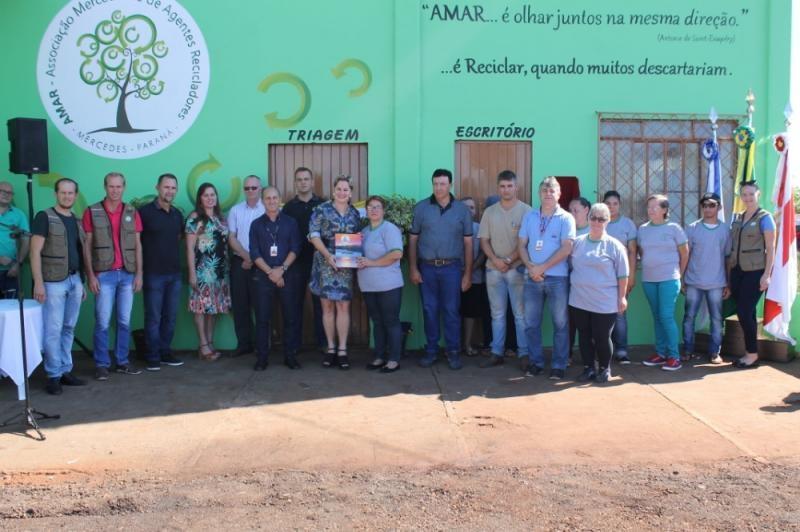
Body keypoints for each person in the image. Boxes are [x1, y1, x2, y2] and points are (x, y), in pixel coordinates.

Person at [408, 169, 473, 370]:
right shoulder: (421, 208)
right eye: (435, 184)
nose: (438, 188)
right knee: (429, 310)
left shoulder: (461, 210)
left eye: (442, 184)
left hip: (452, 268)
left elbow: (468, 243)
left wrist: (467, 274)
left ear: (450, 185)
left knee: (451, 311)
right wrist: (413, 268)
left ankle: (453, 352)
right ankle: (431, 351)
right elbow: (413, 239)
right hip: (426, 268)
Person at [83, 172, 143, 380]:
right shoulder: (92, 211)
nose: (115, 190)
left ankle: (122, 361)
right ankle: (101, 364)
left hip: (127, 274)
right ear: (105, 187)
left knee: (124, 321)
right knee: (102, 322)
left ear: (124, 187)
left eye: (118, 186)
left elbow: (138, 245)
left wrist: (139, 274)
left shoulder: (132, 211)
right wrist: (91, 275)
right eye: (111, 186)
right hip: (104, 275)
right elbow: (87, 245)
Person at [30, 178, 87, 395]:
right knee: (53, 330)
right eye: (63, 192)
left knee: (69, 327)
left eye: (70, 193)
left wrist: (81, 282)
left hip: (74, 280)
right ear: (56, 194)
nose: (67, 196)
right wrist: (38, 282)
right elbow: (34, 251)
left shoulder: (76, 220)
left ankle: (65, 370)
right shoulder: (44, 217)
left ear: (75, 195)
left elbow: (79, 252)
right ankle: (53, 375)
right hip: (53, 282)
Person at [518, 176, 576, 380]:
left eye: (552, 190)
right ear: (539, 194)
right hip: (532, 278)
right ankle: (536, 363)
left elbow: (567, 248)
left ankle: (559, 365)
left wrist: (542, 267)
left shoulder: (566, 218)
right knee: (531, 323)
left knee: (560, 324)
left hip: (557, 278)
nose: (548, 194)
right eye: (544, 190)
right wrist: (531, 267)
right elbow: (521, 245)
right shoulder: (530, 216)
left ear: (559, 194)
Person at [569, 203, 629, 383]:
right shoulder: (578, 242)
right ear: (588, 219)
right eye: (593, 218)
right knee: (584, 335)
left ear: (608, 221)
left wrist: (622, 297)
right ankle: (588, 368)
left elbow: (623, 274)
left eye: (601, 219)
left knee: (602, 336)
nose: (596, 222)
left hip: (604, 301)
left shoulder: (615, 246)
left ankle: (604, 368)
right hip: (579, 299)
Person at [478, 170, 531, 368]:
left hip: (517, 269)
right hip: (493, 270)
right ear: (498, 188)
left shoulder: (527, 211)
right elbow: (484, 240)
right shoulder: (490, 212)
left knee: (520, 315)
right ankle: (496, 352)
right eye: (502, 186)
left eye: (510, 186)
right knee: (497, 315)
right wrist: (495, 260)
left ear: (516, 187)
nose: (506, 189)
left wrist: (508, 260)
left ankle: (524, 354)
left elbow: (526, 242)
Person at [308, 175, 362, 369]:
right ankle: (331, 348)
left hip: (345, 264)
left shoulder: (355, 214)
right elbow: (313, 235)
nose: (342, 192)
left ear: (351, 193)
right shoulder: (321, 210)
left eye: (345, 189)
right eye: (339, 189)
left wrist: (353, 254)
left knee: (343, 307)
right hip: (325, 262)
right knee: (328, 307)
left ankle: (342, 350)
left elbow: (357, 237)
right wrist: (328, 255)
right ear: (333, 191)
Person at [249, 186, 302, 371]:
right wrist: (271, 273)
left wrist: (281, 270)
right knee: (263, 319)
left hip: (287, 276)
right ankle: (262, 358)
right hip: (263, 278)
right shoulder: (256, 225)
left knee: (290, 318)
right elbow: (254, 253)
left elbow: (295, 248)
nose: (271, 201)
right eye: (268, 198)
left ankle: (290, 357)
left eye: (274, 198)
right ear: (263, 201)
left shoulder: (290, 223)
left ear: (279, 199)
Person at [138, 173, 185, 372]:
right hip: (153, 274)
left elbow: (179, 238)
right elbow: (136, 243)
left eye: (173, 188)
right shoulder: (144, 213)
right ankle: (153, 356)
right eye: (166, 187)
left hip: (174, 274)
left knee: (170, 317)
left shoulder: (177, 214)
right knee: (153, 317)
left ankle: (165, 352)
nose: (170, 191)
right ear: (157, 188)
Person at [727, 181, 776, 369]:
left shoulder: (765, 218)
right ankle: (751, 352)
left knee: (744, 311)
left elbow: (771, 248)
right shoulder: (738, 218)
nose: (747, 198)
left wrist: (767, 275)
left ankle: (752, 354)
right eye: (744, 194)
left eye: (751, 194)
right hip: (737, 271)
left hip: (755, 272)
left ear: (758, 194)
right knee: (748, 312)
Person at [639, 194, 689, 371]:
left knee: (666, 316)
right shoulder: (643, 229)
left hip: (669, 279)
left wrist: (679, 275)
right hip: (649, 280)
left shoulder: (674, 228)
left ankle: (674, 357)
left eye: (655, 206)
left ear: (665, 209)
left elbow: (685, 253)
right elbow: (642, 252)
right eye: (649, 207)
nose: (651, 210)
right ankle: (661, 354)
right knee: (657, 317)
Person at [682, 192, 731, 364]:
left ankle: (714, 352)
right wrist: (681, 278)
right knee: (689, 317)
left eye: (712, 205)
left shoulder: (725, 230)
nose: (708, 208)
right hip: (693, 281)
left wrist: (728, 284)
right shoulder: (692, 228)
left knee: (716, 319)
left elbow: (728, 258)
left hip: (717, 283)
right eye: (705, 205)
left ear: (719, 207)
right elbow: (685, 255)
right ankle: (688, 350)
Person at [358, 195, 404, 373]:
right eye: (370, 207)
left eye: (377, 206)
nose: (374, 209)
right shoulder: (363, 232)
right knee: (377, 322)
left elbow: (396, 254)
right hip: (369, 285)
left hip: (388, 285)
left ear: (383, 211)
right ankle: (379, 357)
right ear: (366, 210)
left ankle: (393, 359)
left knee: (391, 321)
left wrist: (371, 263)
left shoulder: (389, 229)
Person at [186, 183, 231, 361]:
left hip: (220, 272)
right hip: (202, 272)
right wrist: (192, 274)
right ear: (200, 199)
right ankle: (203, 345)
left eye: (213, 195)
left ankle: (210, 343)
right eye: (206, 195)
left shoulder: (221, 218)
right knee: (200, 308)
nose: (210, 198)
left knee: (213, 309)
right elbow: (190, 249)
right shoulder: (195, 218)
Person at [282, 167, 325, 352]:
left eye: (306, 179)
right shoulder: (288, 208)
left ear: (312, 182)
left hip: (319, 261)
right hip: (295, 262)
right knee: (294, 305)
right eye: (299, 179)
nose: (303, 182)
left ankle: (324, 344)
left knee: (321, 305)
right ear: (295, 183)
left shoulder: (323, 205)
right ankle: (294, 346)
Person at [227, 176, 265, 357]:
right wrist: (246, 256)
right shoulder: (235, 210)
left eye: (254, 187)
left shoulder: (267, 209)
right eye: (247, 188)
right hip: (240, 262)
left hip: (262, 263)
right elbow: (231, 237)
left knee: (261, 305)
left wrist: (255, 259)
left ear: (260, 188)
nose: (250, 191)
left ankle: (261, 345)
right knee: (240, 305)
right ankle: (244, 344)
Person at [603, 191, 638, 365]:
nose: (611, 207)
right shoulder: (599, 222)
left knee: (619, 314)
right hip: (601, 278)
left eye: (615, 203)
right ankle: (603, 351)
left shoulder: (627, 224)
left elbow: (632, 251)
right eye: (608, 204)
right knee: (601, 315)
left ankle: (622, 350)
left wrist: (631, 276)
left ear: (620, 205)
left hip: (621, 277)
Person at [460, 196, 488, 357]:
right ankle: (455, 346)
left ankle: (468, 344)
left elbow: (483, 253)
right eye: (465, 207)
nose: (469, 210)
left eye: (472, 207)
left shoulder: (479, 229)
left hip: (475, 278)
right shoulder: (453, 228)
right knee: (453, 312)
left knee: (471, 313)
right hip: (453, 277)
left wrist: (469, 271)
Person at [567, 196, 592, 364]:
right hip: (568, 281)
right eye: (570, 211)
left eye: (575, 210)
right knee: (569, 321)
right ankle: (567, 354)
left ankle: (590, 359)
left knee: (588, 323)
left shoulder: (593, 231)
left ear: (586, 210)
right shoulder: (566, 230)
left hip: (589, 284)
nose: (572, 214)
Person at [0, 181, 29, 299]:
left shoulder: (19, 214)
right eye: (3, 191)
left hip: (10, 271)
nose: (6, 194)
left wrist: (18, 263)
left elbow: (26, 240)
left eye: (10, 193)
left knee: (11, 307)